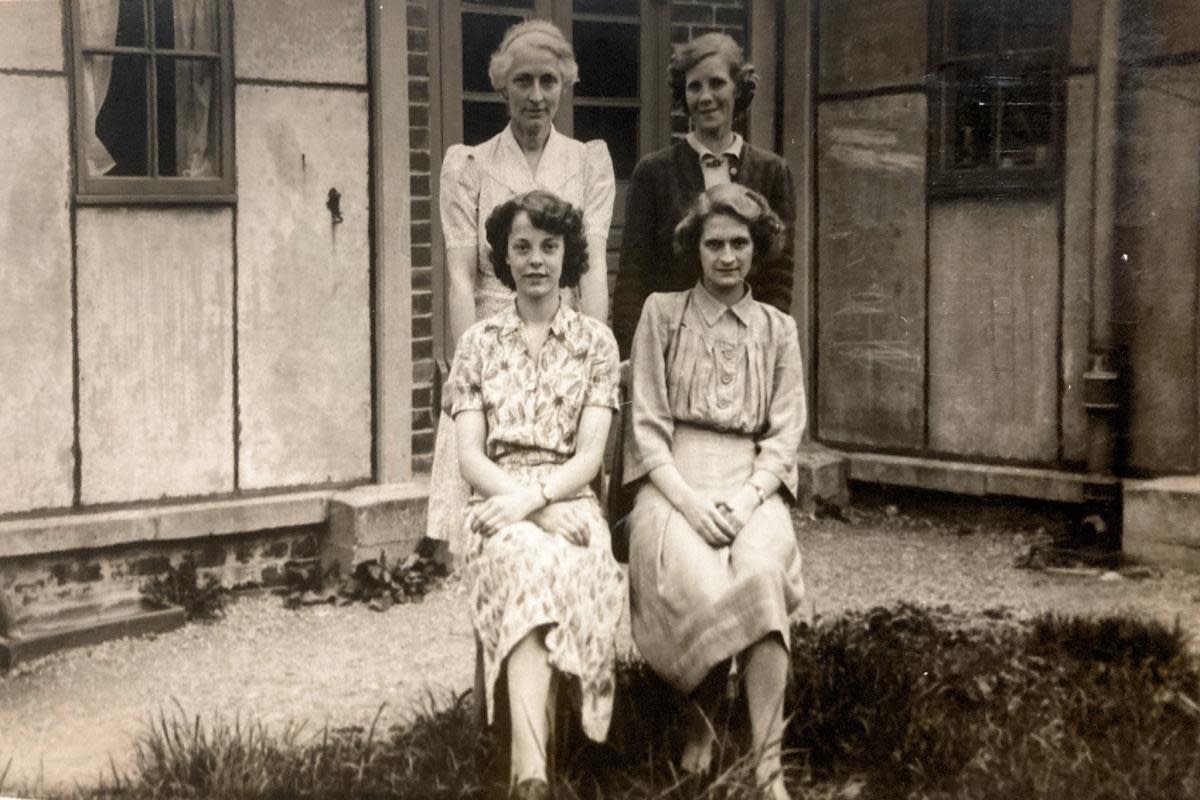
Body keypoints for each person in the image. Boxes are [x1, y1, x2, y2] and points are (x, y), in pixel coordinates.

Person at [623, 184, 806, 800]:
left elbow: (784, 437)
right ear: (694, 249)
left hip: (750, 483)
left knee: (760, 577)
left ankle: (767, 765)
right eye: (714, 244)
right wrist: (691, 502)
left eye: (740, 243)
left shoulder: (779, 330)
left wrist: (750, 499)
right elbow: (646, 429)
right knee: (698, 584)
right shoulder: (661, 314)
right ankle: (697, 722)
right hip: (674, 481)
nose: (727, 256)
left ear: (758, 248)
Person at [443, 190, 624, 800]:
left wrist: (545, 501)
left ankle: (530, 774)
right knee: (524, 560)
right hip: (497, 501)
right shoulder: (478, 344)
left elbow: (590, 457)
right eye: (522, 247)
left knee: (551, 560)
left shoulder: (597, 343)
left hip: (571, 500)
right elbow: (471, 457)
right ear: (505, 257)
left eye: (550, 246)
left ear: (568, 254)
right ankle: (532, 772)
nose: (536, 260)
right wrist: (532, 507)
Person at [428, 19, 616, 557]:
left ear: (565, 85)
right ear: (502, 86)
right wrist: (471, 372)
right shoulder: (469, 164)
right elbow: (462, 274)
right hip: (492, 340)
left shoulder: (587, 162)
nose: (536, 96)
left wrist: (594, 357)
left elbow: (594, 267)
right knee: (490, 531)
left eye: (548, 81)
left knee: (570, 536)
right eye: (523, 82)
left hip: (563, 342)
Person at [611, 32, 796, 358]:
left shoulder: (772, 172)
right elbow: (632, 278)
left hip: (747, 348)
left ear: (737, 88)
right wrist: (632, 357)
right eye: (695, 86)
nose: (706, 96)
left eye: (717, 83)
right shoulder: (653, 172)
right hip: (672, 347)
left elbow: (778, 277)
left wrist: (763, 348)